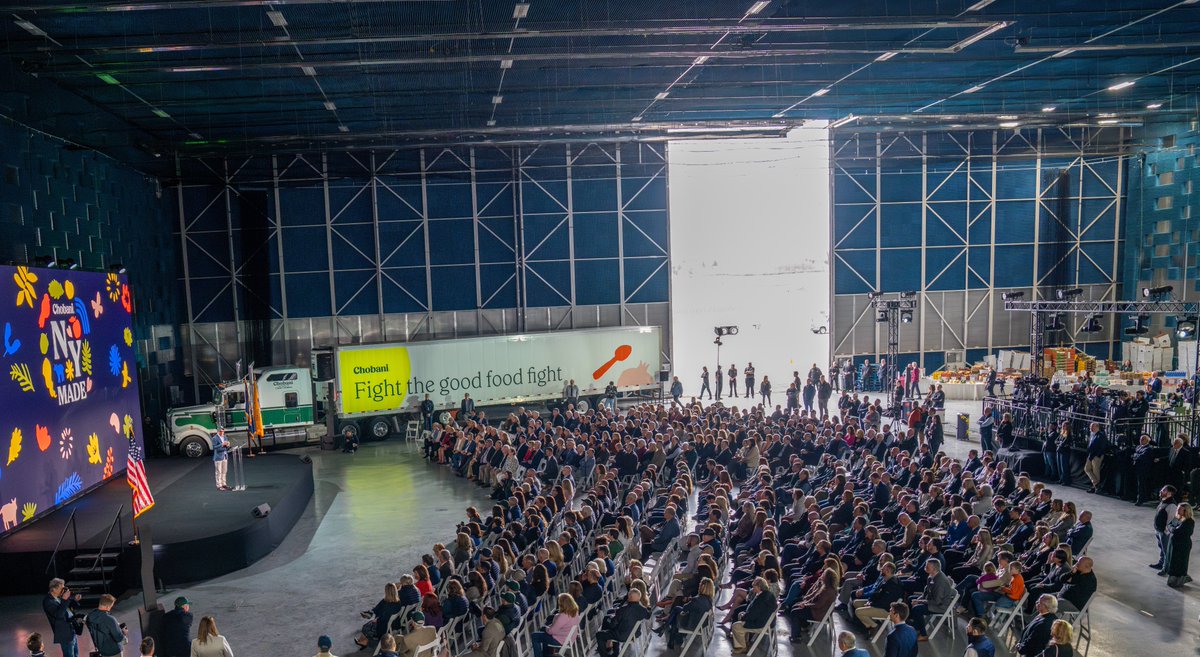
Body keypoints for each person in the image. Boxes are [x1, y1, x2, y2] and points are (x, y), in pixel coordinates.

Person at [597, 589, 651, 657]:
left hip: (623, 636)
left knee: (599, 634)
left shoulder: (623, 609)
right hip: (635, 634)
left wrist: (610, 619)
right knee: (613, 626)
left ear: (630, 597)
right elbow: (648, 615)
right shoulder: (643, 610)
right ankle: (614, 652)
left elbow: (612, 624)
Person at [730, 577, 775, 654]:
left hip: (761, 624)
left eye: (754, 586)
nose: (753, 588)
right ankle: (745, 642)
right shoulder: (768, 594)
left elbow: (753, 614)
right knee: (740, 616)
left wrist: (744, 616)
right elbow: (755, 612)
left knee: (735, 626)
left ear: (759, 587)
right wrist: (745, 614)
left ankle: (741, 647)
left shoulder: (761, 599)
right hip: (766, 621)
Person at [42, 578, 81, 657]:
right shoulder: (48, 601)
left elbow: (68, 607)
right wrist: (64, 599)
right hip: (64, 632)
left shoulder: (59, 597)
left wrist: (75, 600)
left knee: (76, 653)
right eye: (61, 588)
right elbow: (59, 615)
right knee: (69, 655)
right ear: (54, 589)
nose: (64, 590)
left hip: (71, 628)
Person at [1163, 502, 1195, 587]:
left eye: (1179, 509)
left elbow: (1177, 531)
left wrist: (1173, 528)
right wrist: (1173, 528)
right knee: (1172, 561)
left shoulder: (1189, 522)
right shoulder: (1177, 518)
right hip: (1174, 544)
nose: (1177, 510)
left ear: (1185, 511)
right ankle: (1174, 578)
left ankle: (1179, 579)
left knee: (1180, 562)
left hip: (1182, 545)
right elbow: (1169, 525)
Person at [1150, 485, 1179, 570]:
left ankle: (1166, 569)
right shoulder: (1163, 501)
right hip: (1158, 530)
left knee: (1166, 551)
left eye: (1163, 490)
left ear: (1169, 493)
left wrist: (1166, 532)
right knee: (1162, 549)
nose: (1160, 491)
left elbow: (1171, 520)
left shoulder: (1172, 505)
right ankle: (1161, 564)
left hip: (1164, 532)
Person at [1083, 422, 1107, 493]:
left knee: (1096, 471)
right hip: (1091, 455)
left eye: (1092, 427)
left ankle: (1095, 487)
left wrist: (1097, 455)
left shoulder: (1101, 435)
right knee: (1087, 469)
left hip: (1096, 455)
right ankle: (1096, 484)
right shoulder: (1092, 434)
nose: (1090, 428)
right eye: (1090, 427)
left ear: (1097, 427)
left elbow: (1102, 447)